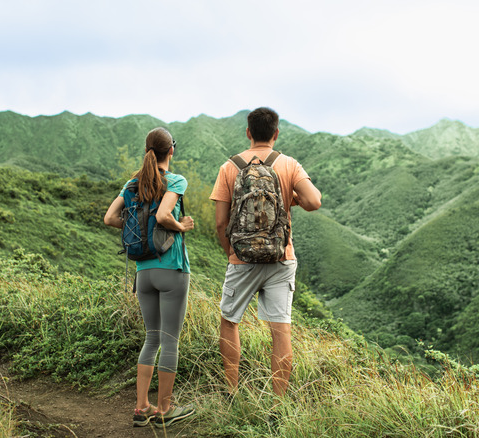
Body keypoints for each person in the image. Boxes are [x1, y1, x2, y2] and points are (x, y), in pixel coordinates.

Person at [209, 107, 322, 396]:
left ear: (248, 133)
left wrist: (232, 254)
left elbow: (221, 222)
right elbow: (314, 202)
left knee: (229, 321)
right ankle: (277, 402)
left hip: (241, 259)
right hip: (281, 257)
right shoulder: (288, 164)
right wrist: (292, 198)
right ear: (276, 133)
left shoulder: (229, 167)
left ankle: (231, 391)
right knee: (280, 329)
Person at [104, 127, 196, 428]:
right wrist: (181, 227)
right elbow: (162, 216)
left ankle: (141, 407)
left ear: (147, 151)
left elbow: (110, 218)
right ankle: (164, 409)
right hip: (171, 268)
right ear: (171, 150)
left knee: (152, 338)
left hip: (143, 271)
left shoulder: (132, 184)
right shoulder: (175, 180)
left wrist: (138, 232)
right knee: (170, 341)